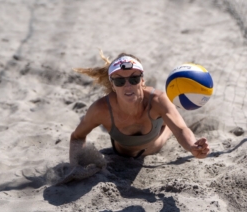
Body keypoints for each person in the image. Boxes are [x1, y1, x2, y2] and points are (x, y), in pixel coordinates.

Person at [69, 51, 210, 165]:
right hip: (122, 153)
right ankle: (169, 116)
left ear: (142, 80)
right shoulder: (101, 109)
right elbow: (76, 137)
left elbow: (180, 130)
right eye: (119, 80)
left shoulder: (157, 100)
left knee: (167, 114)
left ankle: (168, 119)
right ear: (112, 85)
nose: (127, 85)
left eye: (134, 78)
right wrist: (75, 167)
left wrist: (193, 146)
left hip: (156, 140)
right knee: (165, 111)